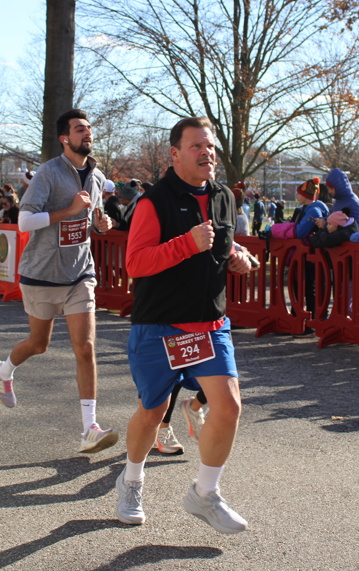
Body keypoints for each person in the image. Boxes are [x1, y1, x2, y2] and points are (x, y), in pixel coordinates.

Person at [115, 116, 258, 534]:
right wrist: (186, 244)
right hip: (160, 325)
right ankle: (131, 480)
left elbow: (225, 242)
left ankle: (205, 493)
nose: (206, 153)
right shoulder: (154, 201)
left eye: (210, 146)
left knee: (228, 406)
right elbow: (135, 263)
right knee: (152, 411)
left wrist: (240, 258)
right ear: (175, 154)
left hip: (209, 324)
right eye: (196, 146)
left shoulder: (223, 196)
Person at [0, 109, 117, 454]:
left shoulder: (96, 176)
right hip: (42, 273)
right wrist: (69, 211)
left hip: (79, 274)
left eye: (88, 128)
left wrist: (100, 224)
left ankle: (90, 428)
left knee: (85, 348)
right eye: (79, 129)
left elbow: (93, 218)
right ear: (65, 138)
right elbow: (25, 222)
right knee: (39, 344)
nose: (87, 133)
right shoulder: (49, 173)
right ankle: (4, 370)